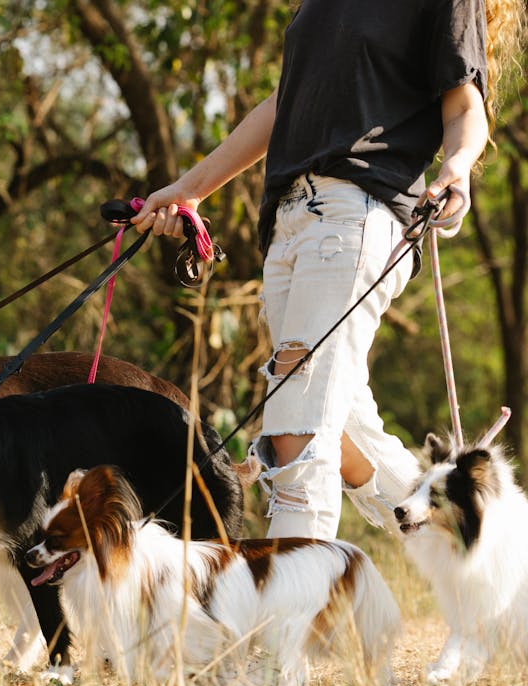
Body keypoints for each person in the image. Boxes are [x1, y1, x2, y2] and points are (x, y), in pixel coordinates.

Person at [132, 0, 525, 538]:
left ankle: (290, 616)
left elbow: (464, 105)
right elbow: (283, 103)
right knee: (340, 434)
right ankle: (495, 551)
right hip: (288, 225)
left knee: (296, 435)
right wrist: (189, 190)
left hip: (354, 217)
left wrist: (457, 168)